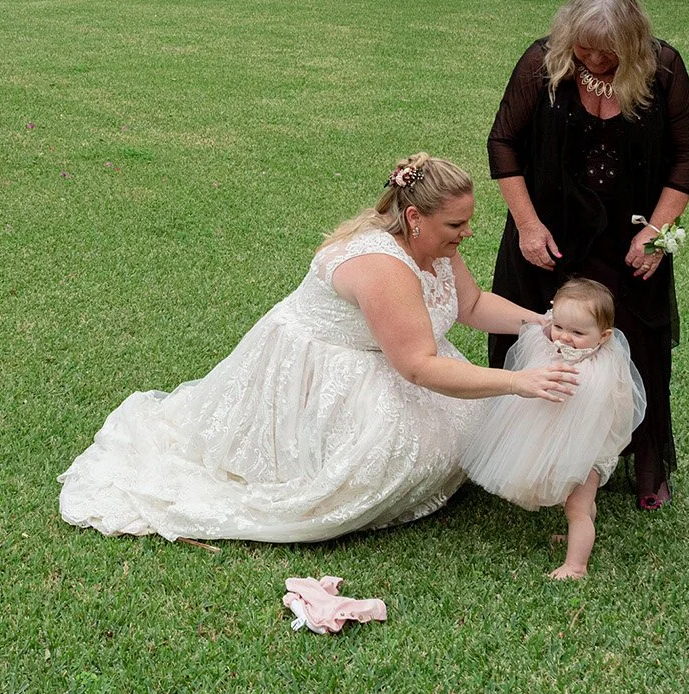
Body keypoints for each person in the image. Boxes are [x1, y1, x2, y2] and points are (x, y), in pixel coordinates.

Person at [58, 154, 576, 545]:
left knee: (452, 439)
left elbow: (473, 305)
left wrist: (542, 323)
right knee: (368, 473)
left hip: (395, 357)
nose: (467, 234)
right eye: (456, 225)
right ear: (415, 217)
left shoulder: (435, 248)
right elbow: (418, 367)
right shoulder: (383, 267)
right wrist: (517, 383)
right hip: (326, 365)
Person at [487, 0, 689, 509]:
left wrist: (656, 233)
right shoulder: (543, 63)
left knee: (637, 340)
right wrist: (528, 226)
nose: (595, 61)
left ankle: (642, 461)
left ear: (632, 42)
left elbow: (687, 156)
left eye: (608, 52)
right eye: (585, 50)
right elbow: (503, 144)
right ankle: (519, 459)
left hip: (629, 234)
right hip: (547, 229)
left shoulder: (664, 68)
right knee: (530, 334)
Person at [463, 277, 646, 579]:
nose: (564, 338)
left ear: (603, 336)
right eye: (560, 327)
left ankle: (576, 566)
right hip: (564, 442)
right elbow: (539, 336)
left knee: (577, 506)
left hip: (588, 450)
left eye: (577, 332)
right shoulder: (555, 343)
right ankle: (580, 536)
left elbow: (604, 406)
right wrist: (548, 329)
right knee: (579, 506)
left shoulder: (600, 366)